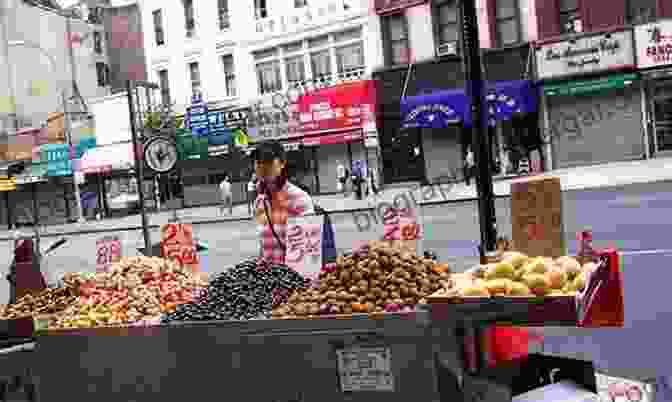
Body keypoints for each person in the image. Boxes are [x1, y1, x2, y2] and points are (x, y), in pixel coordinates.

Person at [253, 141, 314, 264]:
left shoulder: (299, 198)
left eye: (268, 161)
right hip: (268, 279)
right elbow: (264, 245)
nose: (262, 166)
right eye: (258, 162)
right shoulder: (260, 202)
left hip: (291, 278)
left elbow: (306, 253)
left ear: (282, 163)